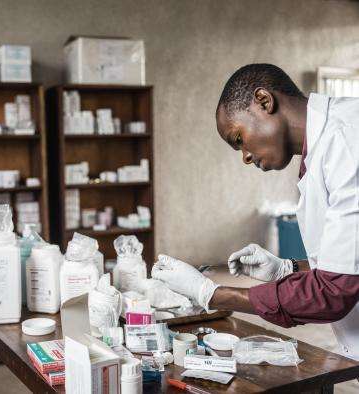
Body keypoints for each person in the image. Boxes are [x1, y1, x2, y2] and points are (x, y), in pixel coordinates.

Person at [152, 64, 359, 360]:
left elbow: (332, 293)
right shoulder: (326, 146)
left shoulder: (347, 142)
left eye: (238, 139)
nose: (246, 157)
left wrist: (209, 293)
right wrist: (288, 268)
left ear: (264, 101)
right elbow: (350, 263)